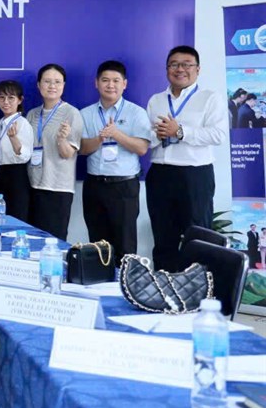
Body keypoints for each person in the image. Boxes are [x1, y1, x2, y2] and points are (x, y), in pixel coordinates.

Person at [146, 46, 228, 271]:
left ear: (197, 69)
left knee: (198, 235)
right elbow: (146, 138)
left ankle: (198, 286)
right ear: (167, 69)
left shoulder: (210, 98)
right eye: (174, 64)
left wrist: (180, 131)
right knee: (163, 236)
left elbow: (218, 135)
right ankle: (164, 285)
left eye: (186, 64)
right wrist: (158, 135)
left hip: (195, 175)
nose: (180, 69)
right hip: (160, 173)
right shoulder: (156, 100)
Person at [78, 61, 151, 263]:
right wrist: (100, 138)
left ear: (124, 84)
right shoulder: (86, 114)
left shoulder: (136, 112)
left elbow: (142, 148)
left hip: (124, 187)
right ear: (96, 83)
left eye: (116, 81)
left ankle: (124, 282)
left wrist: (117, 134)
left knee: (125, 245)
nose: (110, 85)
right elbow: (82, 149)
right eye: (105, 80)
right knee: (97, 246)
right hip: (94, 185)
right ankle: (100, 280)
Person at [25, 64, 83, 240]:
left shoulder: (71, 113)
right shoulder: (32, 114)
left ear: (63, 85)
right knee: (32, 241)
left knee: (54, 243)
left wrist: (61, 139)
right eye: (47, 81)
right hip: (32, 187)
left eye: (57, 82)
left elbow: (68, 154)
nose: (52, 86)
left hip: (57, 188)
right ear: (38, 85)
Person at [0, 80, 33, 223]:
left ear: (20, 100)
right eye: (2, 97)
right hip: (0, 176)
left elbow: (25, 155)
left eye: (11, 98)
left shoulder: (22, 123)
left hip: (16, 176)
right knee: (0, 219)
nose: (6, 102)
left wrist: (13, 138)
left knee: (16, 219)